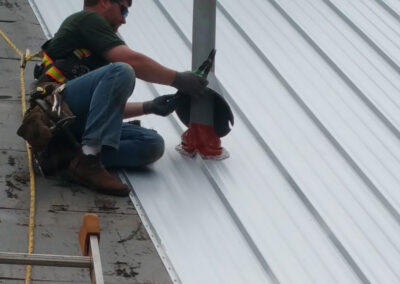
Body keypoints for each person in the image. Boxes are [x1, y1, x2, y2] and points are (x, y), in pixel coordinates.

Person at [34, 0, 208, 196]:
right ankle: (89, 161)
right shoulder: (87, 19)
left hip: (74, 123)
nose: (123, 20)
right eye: (123, 10)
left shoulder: (97, 47)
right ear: (105, 2)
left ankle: (67, 155)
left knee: (152, 143)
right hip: (54, 114)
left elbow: (103, 110)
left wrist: (149, 107)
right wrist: (178, 79)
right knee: (122, 71)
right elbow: (131, 61)